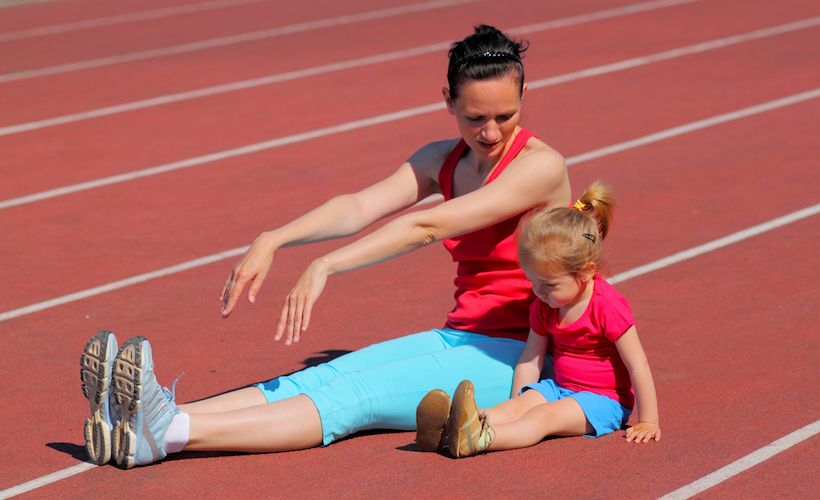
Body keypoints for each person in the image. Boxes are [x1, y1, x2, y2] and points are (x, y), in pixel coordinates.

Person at [79, 24, 571, 468]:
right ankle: (153, 413)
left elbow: (429, 226)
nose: (489, 132)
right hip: (460, 336)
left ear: (525, 98)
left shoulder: (541, 167)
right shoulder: (442, 159)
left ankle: (170, 434)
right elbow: (356, 206)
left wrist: (327, 265)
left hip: (521, 355)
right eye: (473, 117)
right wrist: (274, 238)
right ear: (448, 101)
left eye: (505, 115)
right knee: (318, 378)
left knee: (358, 395)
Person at [415, 182, 661, 457]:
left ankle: (481, 438)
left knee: (542, 417)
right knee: (516, 408)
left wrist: (648, 419)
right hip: (559, 387)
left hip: (602, 400)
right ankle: (447, 429)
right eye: (533, 282)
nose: (539, 292)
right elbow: (531, 358)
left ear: (586, 272)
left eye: (549, 284)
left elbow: (637, 364)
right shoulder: (545, 305)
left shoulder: (607, 306)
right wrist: (517, 402)